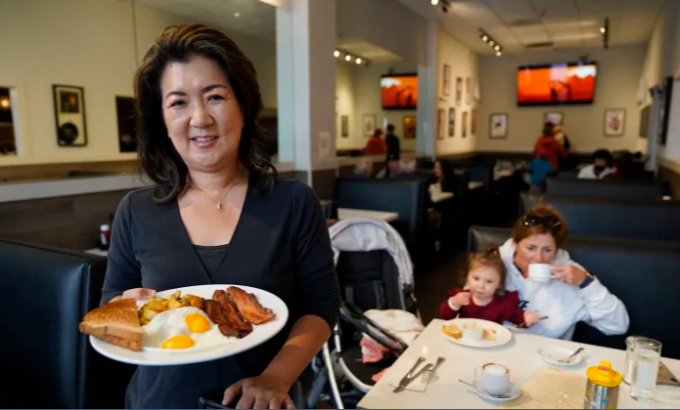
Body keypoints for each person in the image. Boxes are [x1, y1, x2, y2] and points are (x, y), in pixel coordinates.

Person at [101, 24, 340, 409]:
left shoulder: (293, 202)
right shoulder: (136, 210)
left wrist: (275, 377)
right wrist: (126, 306)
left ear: (242, 106)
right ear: (162, 120)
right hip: (160, 401)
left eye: (214, 97)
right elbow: (112, 303)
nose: (199, 118)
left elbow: (322, 304)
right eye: (178, 102)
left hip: (261, 401)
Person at [498, 205, 629, 340]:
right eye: (530, 248)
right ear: (515, 243)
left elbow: (617, 326)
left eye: (547, 250)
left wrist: (587, 283)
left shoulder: (572, 276)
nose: (539, 258)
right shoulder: (494, 264)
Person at [440, 243, 540, 327]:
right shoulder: (462, 297)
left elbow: (518, 318)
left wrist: (527, 317)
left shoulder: (503, 303)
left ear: (499, 284)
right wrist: (454, 303)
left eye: (489, 281)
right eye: (476, 278)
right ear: (467, 277)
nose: (481, 286)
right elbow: (445, 316)